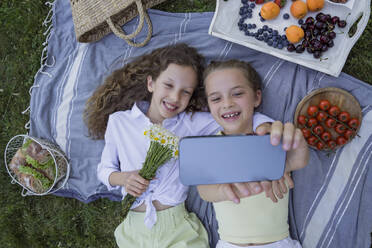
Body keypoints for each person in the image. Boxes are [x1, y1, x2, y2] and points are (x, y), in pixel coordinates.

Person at [83, 43, 298, 247]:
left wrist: (266, 129)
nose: (175, 97)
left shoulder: (190, 123)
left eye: (185, 92)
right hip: (133, 223)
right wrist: (123, 178)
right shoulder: (120, 122)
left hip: (177, 224)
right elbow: (105, 169)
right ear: (151, 83)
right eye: (168, 85)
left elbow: (233, 116)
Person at [197, 59, 309, 248]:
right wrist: (224, 189)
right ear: (208, 106)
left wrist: (291, 151)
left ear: (257, 97)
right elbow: (204, 191)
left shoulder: (272, 138)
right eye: (216, 98)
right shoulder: (211, 148)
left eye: (238, 93)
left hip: (277, 242)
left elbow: (298, 160)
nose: (227, 104)